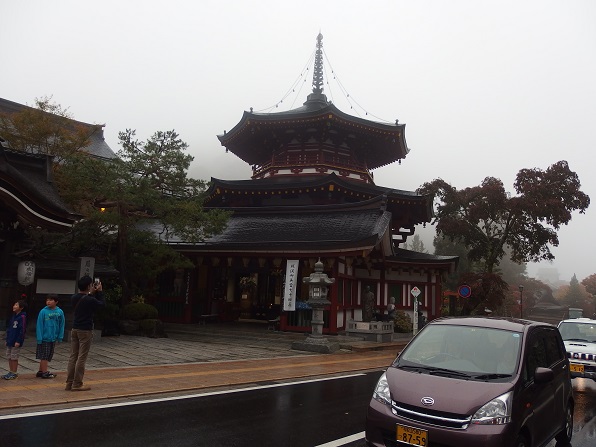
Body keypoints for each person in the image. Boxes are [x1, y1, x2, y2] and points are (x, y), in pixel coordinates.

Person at [65, 275, 105, 391]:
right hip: (85, 330)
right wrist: (100, 292)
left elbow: (85, 300)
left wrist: (91, 293)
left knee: (73, 356)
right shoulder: (90, 299)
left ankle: (69, 383)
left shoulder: (74, 297)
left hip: (75, 329)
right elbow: (102, 305)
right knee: (82, 357)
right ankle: (77, 383)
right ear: (88, 286)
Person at [35, 294, 65, 379]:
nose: (48, 302)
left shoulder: (60, 312)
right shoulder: (43, 311)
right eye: (47, 300)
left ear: (56, 302)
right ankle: (45, 372)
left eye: (51, 300)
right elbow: (39, 325)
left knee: (48, 355)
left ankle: (41, 371)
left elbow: (62, 324)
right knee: (44, 355)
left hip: (53, 337)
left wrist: (60, 336)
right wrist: (39, 338)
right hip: (45, 337)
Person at [3, 299, 27, 380]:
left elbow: (22, 330)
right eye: (14, 304)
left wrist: (19, 340)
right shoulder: (13, 316)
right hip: (10, 340)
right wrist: (7, 339)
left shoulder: (22, 317)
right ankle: (10, 371)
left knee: (14, 357)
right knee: (9, 356)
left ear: (21, 307)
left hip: (16, 341)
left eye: (16, 305)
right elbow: (9, 328)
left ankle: (14, 372)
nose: (14, 306)